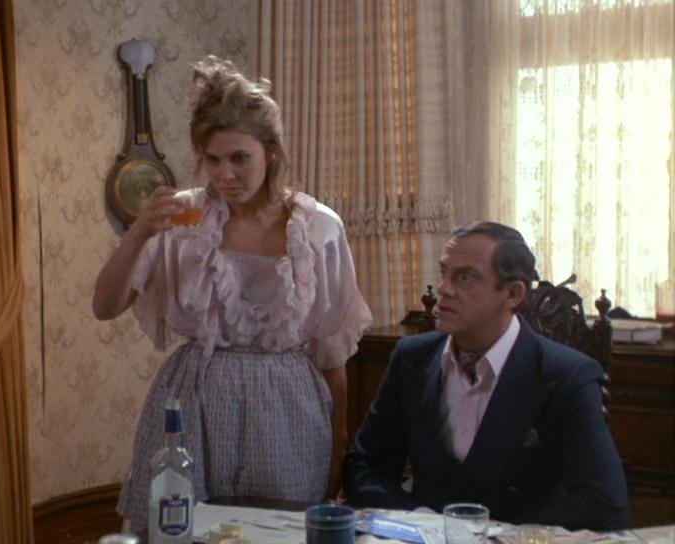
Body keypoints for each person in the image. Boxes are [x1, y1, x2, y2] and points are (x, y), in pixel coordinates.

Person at [93, 56, 372, 535]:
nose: (225, 175)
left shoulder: (318, 229)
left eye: (240, 158)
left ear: (271, 154)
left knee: (279, 533)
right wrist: (139, 232)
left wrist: (338, 444)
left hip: (286, 408)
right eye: (213, 159)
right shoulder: (183, 218)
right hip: (194, 399)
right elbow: (104, 306)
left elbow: (332, 352)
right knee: (178, 529)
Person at [343, 221, 629, 531]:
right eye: (444, 273)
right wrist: (421, 519)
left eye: (465, 277)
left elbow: (604, 507)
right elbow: (364, 467)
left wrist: (492, 533)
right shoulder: (412, 358)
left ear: (513, 294)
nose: (444, 289)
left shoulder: (566, 375)